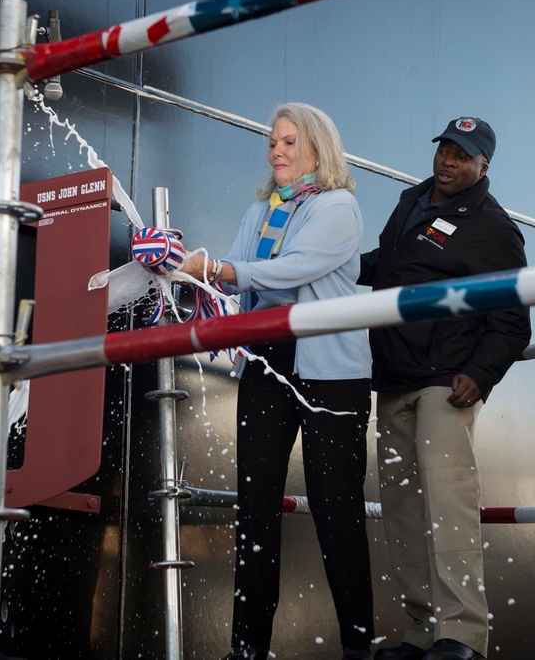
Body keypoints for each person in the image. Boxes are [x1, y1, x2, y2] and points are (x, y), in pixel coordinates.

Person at [178, 102, 375, 660]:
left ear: (318, 150)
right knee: (255, 507)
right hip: (265, 366)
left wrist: (218, 269)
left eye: (290, 142)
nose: (278, 151)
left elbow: (292, 271)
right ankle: (247, 649)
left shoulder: (339, 207)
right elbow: (234, 280)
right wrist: (177, 266)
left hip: (330, 375)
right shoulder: (260, 209)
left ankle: (358, 647)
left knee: (336, 509)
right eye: (273, 142)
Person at [358, 117, 531, 660]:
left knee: (445, 506)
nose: (449, 161)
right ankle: (423, 628)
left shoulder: (493, 226)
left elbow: (512, 318)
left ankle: (461, 632)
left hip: (444, 381)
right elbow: (387, 269)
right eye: (445, 149)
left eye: (464, 155)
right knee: (403, 508)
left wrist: (480, 375)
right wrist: (329, 268)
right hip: (392, 376)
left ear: (484, 166)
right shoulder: (412, 201)